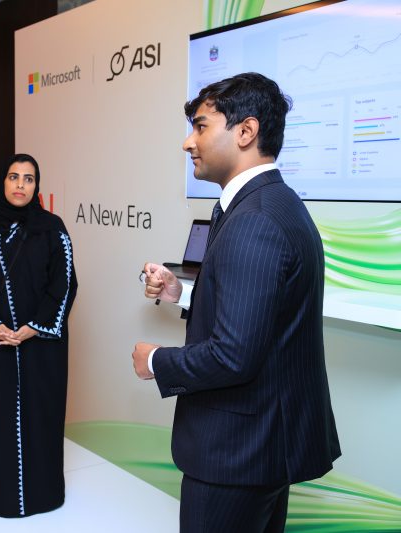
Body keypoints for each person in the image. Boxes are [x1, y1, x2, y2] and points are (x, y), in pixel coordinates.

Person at [132, 73, 340, 532]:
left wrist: (156, 361)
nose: (188, 142)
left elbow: (233, 355)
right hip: (260, 446)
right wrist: (182, 294)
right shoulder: (271, 203)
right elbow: (260, 314)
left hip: (236, 452)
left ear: (245, 131)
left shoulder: (254, 220)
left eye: (201, 127)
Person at [0, 153, 78, 518]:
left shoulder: (53, 228)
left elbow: (64, 283)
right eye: (14, 177)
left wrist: (34, 327)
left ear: (36, 186)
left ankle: (42, 495)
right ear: (3, 182)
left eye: (29, 179)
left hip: (40, 347)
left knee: (40, 417)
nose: (21, 185)